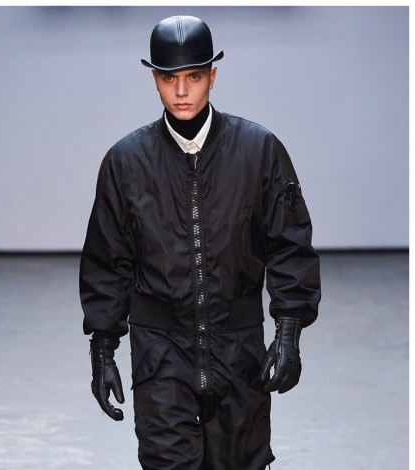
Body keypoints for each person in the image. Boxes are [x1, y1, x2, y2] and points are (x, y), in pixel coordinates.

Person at [79, 14, 321, 470]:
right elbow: (108, 260)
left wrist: (289, 332)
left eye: (193, 76)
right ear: (154, 79)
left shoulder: (259, 150)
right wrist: (103, 348)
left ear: (213, 75)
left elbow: (289, 244)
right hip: (160, 354)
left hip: (239, 352)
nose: (181, 91)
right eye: (169, 78)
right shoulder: (125, 162)